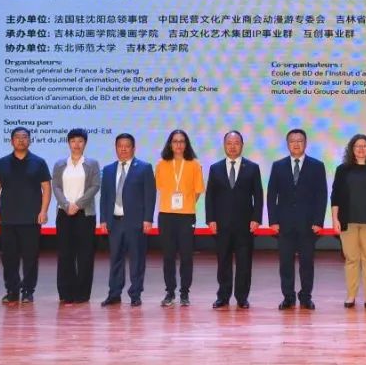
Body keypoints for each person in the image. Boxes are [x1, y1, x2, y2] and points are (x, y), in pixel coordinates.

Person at [267, 128, 328, 310]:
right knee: (285, 263)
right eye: (292, 141)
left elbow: (322, 195)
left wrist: (318, 221)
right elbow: (271, 195)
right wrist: (273, 221)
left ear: (305, 143)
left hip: (308, 224)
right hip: (284, 224)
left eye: (299, 141)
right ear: (287, 144)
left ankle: (306, 296)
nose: (296, 144)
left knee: (307, 263)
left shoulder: (317, 166)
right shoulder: (278, 166)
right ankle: (288, 297)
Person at [0, 126, 51, 305]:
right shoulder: (2, 163)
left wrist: (43, 211)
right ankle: (12, 290)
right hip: (7, 219)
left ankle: (28, 291)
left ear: (29, 140)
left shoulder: (39, 162)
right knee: (9, 257)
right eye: (17, 137)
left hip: (31, 219)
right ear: (11, 141)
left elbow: (46, 188)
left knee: (31, 258)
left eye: (25, 137)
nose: (21, 140)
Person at [205, 130, 264, 309]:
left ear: (242, 146)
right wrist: (210, 219)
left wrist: (256, 218)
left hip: (245, 225)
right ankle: (223, 296)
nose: (232, 147)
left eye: (236, 143)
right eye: (229, 143)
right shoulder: (215, 168)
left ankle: (242, 297)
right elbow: (210, 196)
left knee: (244, 263)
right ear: (224, 146)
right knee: (223, 262)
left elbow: (258, 195)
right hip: (221, 224)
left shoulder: (252, 167)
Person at [330, 134, 366, 308]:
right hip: (347, 221)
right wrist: (335, 219)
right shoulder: (342, 170)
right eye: (357, 146)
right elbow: (335, 197)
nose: (361, 149)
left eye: (364, 146)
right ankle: (351, 296)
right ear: (351, 149)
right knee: (351, 259)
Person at [99, 133, 157, 307]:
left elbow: (150, 196)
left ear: (133, 148)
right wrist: (103, 219)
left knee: (137, 260)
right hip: (115, 222)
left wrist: (148, 219)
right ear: (115, 148)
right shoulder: (108, 169)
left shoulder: (144, 168)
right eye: (120, 146)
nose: (123, 149)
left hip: (136, 222)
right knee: (115, 259)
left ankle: (135, 294)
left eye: (127, 146)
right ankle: (114, 293)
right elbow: (105, 196)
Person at [155, 129, 205, 307]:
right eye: (175, 141)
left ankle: (184, 293)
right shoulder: (161, 164)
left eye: (182, 141)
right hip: (166, 215)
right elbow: (160, 187)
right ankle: (170, 292)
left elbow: (198, 191)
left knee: (186, 256)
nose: (178, 144)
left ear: (186, 144)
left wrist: (186, 204)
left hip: (186, 216)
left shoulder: (194, 164)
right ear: (170, 144)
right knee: (168, 256)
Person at [51, 128, 101, 304]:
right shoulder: (59, 164)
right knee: (65, 254)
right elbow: (56, 186)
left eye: (80, 141)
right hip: (64, 213)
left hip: (85, 214)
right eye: (73, 141)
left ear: (85, 143)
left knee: (85, 255)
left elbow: (95, 186)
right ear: (68, 143)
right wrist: (66, 205)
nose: (76, 144)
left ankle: (82, 293)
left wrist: (78, 204)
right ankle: (66, 293)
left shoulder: (92, 164)